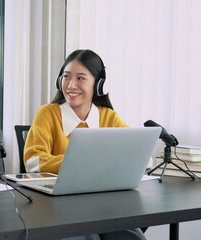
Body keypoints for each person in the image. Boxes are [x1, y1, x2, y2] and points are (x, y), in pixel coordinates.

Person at [24, 49, 147, 240]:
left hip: (105, 204)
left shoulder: (109, 117)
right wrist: (80, 164)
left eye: (80, 78)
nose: (71, 85)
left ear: (99, 85)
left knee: (132, 236)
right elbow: (33, 162)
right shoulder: (47, 113)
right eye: (66, 77)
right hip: (59, 206)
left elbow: (137, 154)